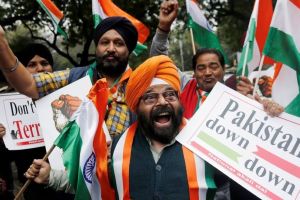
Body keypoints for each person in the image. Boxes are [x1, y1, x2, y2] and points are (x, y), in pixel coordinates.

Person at [24, 55, 284, 199]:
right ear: (136, 106)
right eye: (150, 97)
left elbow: (257, 174)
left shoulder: (205, 139)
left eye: (170, 95)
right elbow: (94, 183)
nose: (162, 102)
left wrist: (268, 120)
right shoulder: (117, 146)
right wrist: (51, 177)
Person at [0, 16, 138, 138]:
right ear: (97, 48)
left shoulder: (140, 88)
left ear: (129, 50)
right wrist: (2, 46)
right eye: (105, 42)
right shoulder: (75, 77)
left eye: (119, 43)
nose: (111, 48)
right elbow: (29, 85)